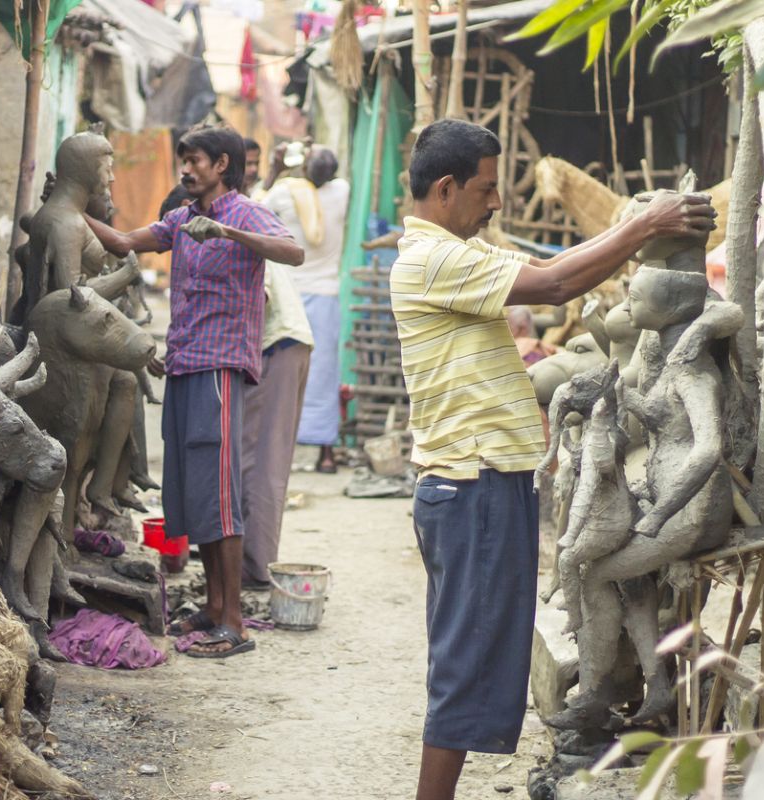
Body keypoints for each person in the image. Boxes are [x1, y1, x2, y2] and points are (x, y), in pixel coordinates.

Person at [390, 119, 714, 800]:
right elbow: (555, 285)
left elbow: (552, 276)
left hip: (484, 482)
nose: (496, 203)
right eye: (485, 189)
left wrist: (633, 227)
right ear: (444, 189)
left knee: (475, 656)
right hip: (470, 483)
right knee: (461, 665)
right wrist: (641, 227)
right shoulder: (431, 258)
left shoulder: (447, 250)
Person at [85, 124, 303, 658]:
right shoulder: (181, 219)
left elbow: (291, 252)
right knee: (196, 494)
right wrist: (68, 209)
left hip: (220, 370)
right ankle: (210, 605)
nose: (185, 169)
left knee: (222, 498)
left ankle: (235, 623)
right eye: (183, 160)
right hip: (184, 368)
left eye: (196, 161)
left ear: (222, 165)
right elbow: (120, 241)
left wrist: (228, 236)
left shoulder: (244, 214)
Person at [261, 145, 349, 473]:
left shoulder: (285, 194)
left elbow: (256, 206)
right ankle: (326, 453)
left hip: (290, 294)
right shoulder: (341, 192)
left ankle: (276, 451)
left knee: (279, 371)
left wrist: (277, 168)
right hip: (326, 295)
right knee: (324, 373)